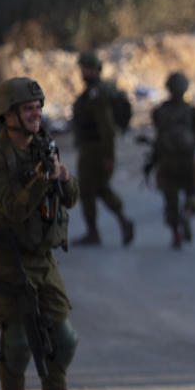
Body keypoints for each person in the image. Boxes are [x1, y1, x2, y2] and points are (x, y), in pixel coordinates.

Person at [0, 77, 102, 390]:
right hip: (7, 259)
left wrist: (62, 176)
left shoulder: (43, 147)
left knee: (64, 338)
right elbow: (12, 209)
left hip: (43, 259)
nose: (36, 114)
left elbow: (70, 198)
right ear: (8, 115)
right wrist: (42, 180)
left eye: (38, 108)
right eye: (28, 109)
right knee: (17, 340)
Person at [149, 72, 195, 249]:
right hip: (187, 159)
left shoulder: (159, 111)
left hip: (166, 161)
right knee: (193, 193)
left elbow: (157, 129)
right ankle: (187, 214)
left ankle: (176, 236)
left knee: (170, 200)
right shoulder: (192, 111)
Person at [72, 50, 134, 247]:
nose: (84, 72)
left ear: (96, 70)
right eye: (83, 69)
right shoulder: (93, 92)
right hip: (92, 147)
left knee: (89, 190)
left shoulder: (97, 94)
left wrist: (109, 156)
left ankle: (94, 232)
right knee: (98, 188)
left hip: (94, 149)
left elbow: (106, 127)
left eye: (87, 69)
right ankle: (120, 222)